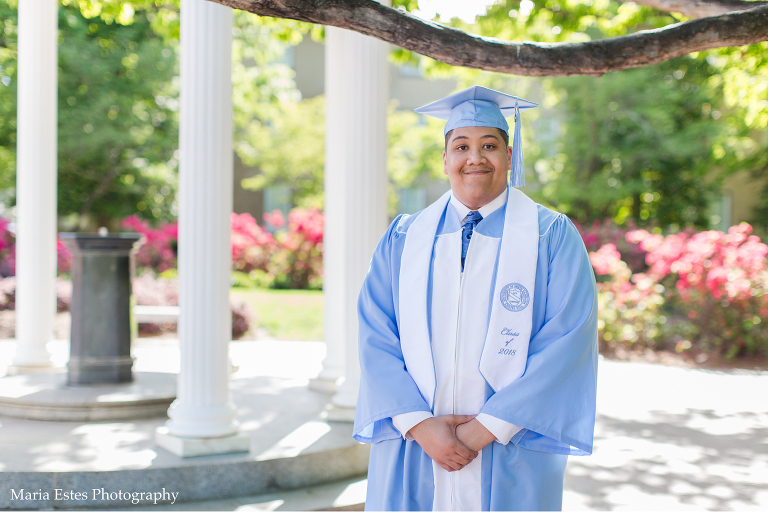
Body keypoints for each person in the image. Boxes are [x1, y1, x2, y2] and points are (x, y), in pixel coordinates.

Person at [353, 85, 598, 511]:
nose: (475, 157)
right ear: (444, 158)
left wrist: (483, 429)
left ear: (509, 155)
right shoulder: (405, 237)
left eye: (490, 145)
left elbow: (567, 340)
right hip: (415, 446)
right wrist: (418, 424)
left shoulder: (550, 235)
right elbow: (376, 332)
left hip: (510, 444)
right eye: (461, 145)